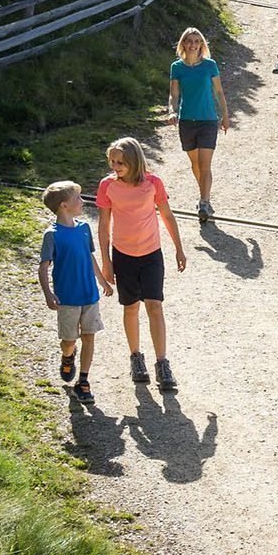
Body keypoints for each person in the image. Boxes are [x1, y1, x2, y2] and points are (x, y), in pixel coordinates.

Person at [97, 137, 186, 391]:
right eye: (112, 161)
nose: (115, 166)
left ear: (134, 161)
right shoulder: (107, 186)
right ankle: (136, 358)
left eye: (120, 162)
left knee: (155, 306)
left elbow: (167, 215)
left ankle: (162, 363)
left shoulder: (153, 183)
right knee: (131, 308)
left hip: (151, 254)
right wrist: (106, 261)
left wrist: (179, 248)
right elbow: (104, 226)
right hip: (123, 255)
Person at [38, 181, 115, 405]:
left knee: (89, 337)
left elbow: (89, 257)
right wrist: (48, 294)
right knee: (69, 340)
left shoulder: (84, 228)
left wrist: (102, 282)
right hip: (67, 299)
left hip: (89, 295)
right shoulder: (52, 235)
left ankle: (83, 381)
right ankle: (68, 355)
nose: (83, 202)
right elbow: (43, 267)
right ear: (64, 205)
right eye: (78, 199)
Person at [167, 27, 230, 223]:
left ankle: (204, 201)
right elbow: (174, 94)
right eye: (190, 41)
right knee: (195, 164)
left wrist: (225, 115)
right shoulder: (176, 67)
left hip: (208, 120)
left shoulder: (210, 65)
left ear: (202, 44)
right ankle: (204, 194)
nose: (193, 44)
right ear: (183, 44)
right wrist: (171, 110)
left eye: (197, 41)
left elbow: (219, 92)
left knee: (205, 164)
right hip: (187, 121)